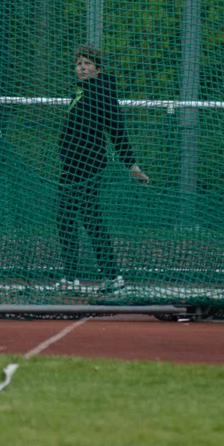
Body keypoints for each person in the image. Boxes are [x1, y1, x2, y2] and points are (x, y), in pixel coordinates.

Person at [56, 44, 149, 292]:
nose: (82, 67)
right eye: (78, 64)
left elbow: (117, 131)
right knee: (70, 217)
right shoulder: (81, 91)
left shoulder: (102, 92)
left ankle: (109, 275)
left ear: (98, 68)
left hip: (87, 165)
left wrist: (132, 166)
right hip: (72, 164)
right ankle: (76, 275)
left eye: (87, 63)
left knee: (85, 217)